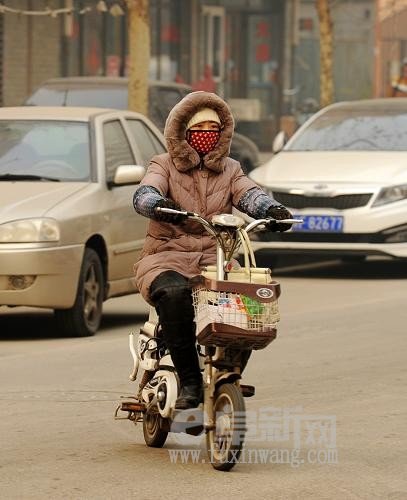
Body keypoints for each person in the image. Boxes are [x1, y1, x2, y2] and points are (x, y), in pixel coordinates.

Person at [133, 91, 293, 410]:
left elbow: (250, 195)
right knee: (175, 295)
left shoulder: (231, 169)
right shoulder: (163, 164)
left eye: (213, 129)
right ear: (183, 132)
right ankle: (190, 381)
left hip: (215, 259)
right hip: (166, 257)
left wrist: (271, 210)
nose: (207, 134)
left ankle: (228, 372)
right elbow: (144, 193)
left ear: (223, 134)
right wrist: (158, 204)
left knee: (249, 300)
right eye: (199, 128)